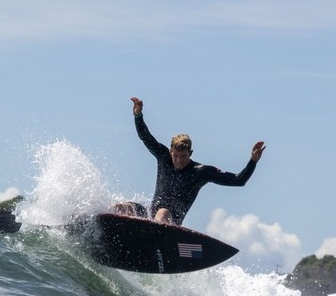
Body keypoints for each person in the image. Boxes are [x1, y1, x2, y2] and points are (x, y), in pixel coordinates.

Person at [114, 97, 266, 226]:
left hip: (170, 221)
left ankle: (160, 242)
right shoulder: (163, 157)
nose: (179, 160)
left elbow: (239, 180)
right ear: (170, 152)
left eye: (183, 156)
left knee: (162, 213)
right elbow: (145, 137)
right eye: (176, 156)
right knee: (120, 208)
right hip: (150, 216)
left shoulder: (200, 172)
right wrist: (138, 115)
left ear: (190, 153)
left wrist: (253, 160)